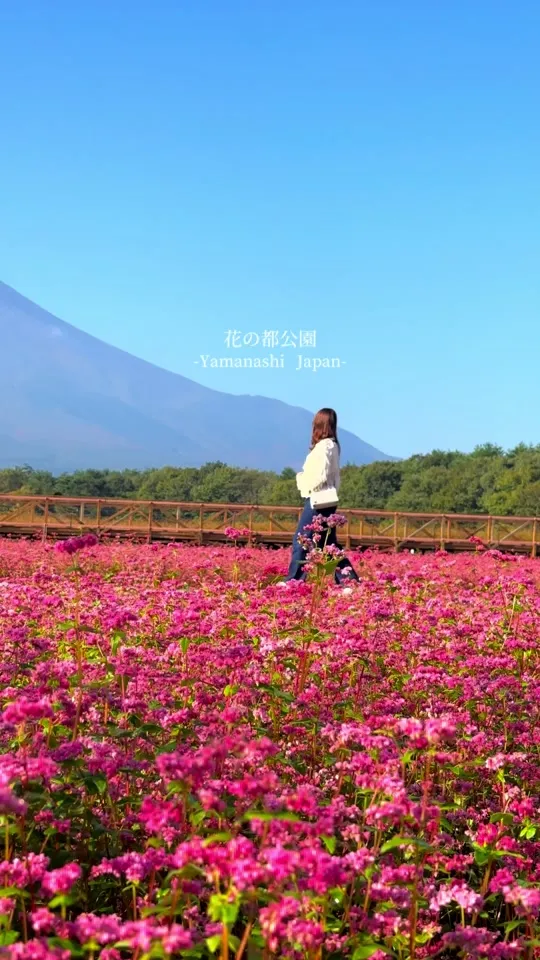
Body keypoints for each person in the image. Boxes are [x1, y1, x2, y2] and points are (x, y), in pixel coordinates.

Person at [281, 407, 359, 587]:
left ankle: (294, 579)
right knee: (328, 544)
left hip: (318, 499)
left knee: (302, 539)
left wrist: (302, 480)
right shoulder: (333, 445)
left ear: (318, 424)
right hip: (327, 499)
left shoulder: (325, 446)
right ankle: (349, 581)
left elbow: (321, 475)